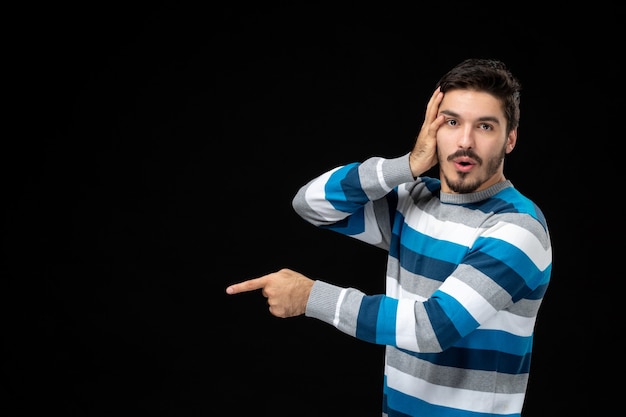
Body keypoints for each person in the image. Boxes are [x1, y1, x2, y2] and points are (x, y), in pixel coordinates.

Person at [226, 58, 552, 417]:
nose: (465, 141)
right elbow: (311, 203)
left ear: (510, 139)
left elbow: (432, 327)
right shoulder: (413, 201)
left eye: (485, 126)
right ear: (432, 128)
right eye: (452, 122)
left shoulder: (518, 227)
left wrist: (310, 297)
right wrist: (408, 164)